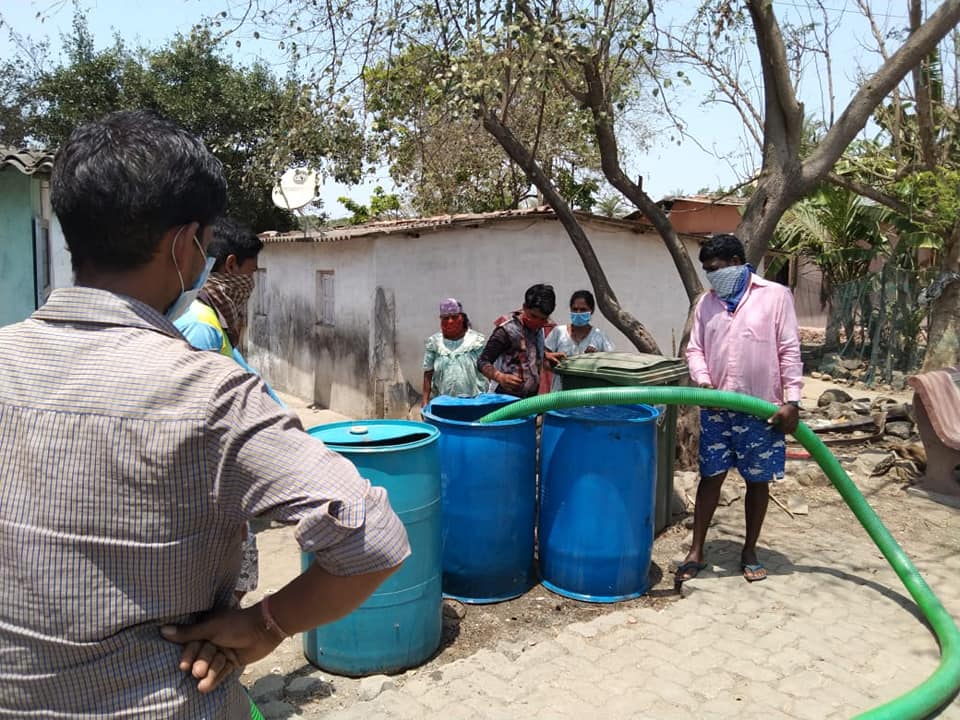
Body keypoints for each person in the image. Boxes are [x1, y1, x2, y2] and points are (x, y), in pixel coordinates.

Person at [0, 110, 409, 718]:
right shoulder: (209, 394)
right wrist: (263, 626)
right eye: (207, 242)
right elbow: (373, 538)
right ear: (183, 244)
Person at [677, 234, 802, 585]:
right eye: (706, 271)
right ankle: (697, 550)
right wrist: (703, 382)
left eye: (715, 269)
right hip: (717, 406)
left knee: (757, 480)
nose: (711, 276)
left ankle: (749, 550)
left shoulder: (775, 296)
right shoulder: (707, 303)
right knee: (711, 476)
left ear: (736, 262)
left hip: (763, 408)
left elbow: (789, 349)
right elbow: (695, 349)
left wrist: (792, 401)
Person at [174, 217, 279, 599]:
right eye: (252, 272)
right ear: (231, 265)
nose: (251, 284)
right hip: (209, 486)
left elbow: (246, 377)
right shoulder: (200, 324)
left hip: (222, 481)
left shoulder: (211, 316)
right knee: (220, 596)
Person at [477, 283, 561, 398]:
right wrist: (500, 377)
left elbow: (525, 350)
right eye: (533, 316)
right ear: (524, 307)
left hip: (529, 402)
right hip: (503, 400)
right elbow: (482, 361)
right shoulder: (507, 330)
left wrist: (545, 355)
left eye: (542, 319)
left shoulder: (540, 327)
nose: (537, 322)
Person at [544, 289, 615, 391]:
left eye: (583, 310)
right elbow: (544, 361)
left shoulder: (599, 336)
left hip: (588, 394)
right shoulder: (558, 332)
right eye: (575, 309)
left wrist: (596, 357)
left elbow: (611, 364)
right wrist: (557, 365)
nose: (578, 313)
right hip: (560, 393)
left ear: (591, 311)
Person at [421, 297, 487, 407]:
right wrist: (425, 401)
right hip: (443, 403)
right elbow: (428, 373)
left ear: (462, 318)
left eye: (454, 317)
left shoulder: (476, 341)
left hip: (474, 403)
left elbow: (486, 369)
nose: (450, 321)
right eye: (445, 318)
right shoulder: (434, 343)